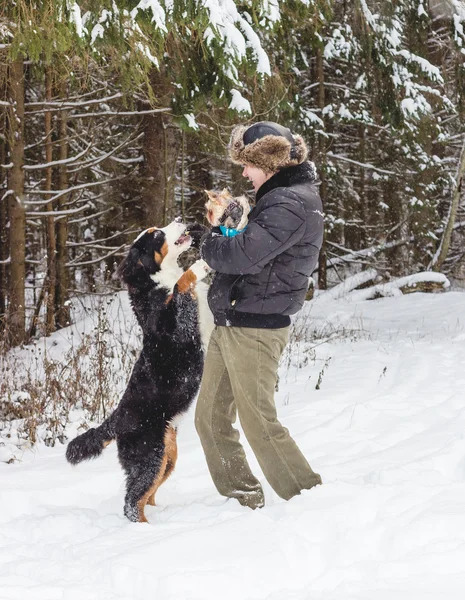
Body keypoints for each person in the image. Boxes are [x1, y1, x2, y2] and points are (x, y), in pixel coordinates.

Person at [195, 121, 324, 509]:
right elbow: (256, 249)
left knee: (259, 423)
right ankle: (244, 497)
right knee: (210, 419)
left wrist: (213, 235)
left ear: (267, 162)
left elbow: (240, 257)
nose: (243, 173)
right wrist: (234, 224)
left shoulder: (289, 202)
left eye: (248, 165)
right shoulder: (280, 198)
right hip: (235, 319)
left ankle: (308, 499)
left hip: (255, 328)